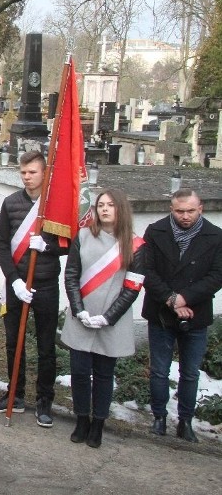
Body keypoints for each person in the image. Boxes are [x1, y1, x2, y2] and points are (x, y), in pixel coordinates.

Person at [0, 150, 66, 427]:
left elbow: (68, 245)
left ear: (44, 173)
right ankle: (15, 396)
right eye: (23, 173)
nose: (27, 177)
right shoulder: (11, 203)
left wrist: (50, 247)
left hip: (45, 285)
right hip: (17, 286)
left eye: (32, 172)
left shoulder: (54, 206)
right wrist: (14, 280)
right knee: (13, 343)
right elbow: (3, 244)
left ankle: (45, 401)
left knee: (45, 347)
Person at [62, 189, 147, 448]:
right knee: (78, 372)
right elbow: (71, 275)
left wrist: (108, 318)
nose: (105, 209)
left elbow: (132, 288)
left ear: (121, 209)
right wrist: (79, 310)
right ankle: (81, 419)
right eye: (100, 205)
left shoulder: (136, 245)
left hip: (112, 321)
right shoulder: (84, 236)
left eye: (110, 205)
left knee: (102, 374)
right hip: (82, 317)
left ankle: (98, 423)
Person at [142, 188, 222, 442]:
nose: (185, 216)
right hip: (161, 311)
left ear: (201, 209)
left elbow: (217, 276)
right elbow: (146, 270)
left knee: (190, 372)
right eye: (180, 211)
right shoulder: (155, 232)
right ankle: (159, 417)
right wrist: (172, 299)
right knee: (159, 370)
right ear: (171, 210)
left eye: (190, 211)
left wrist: (186, 298)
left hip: (196, 312)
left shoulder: (216, 236)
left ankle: (185, 421)